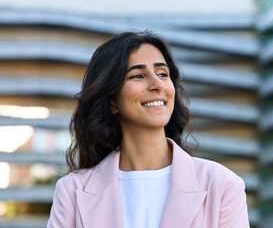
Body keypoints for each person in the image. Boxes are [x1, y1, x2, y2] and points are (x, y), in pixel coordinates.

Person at [47, 31, 250, 228]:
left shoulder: (222, 185)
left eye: (163, 73)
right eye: (138, 75)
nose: (157, 84)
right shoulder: (72, 191)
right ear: (111, 101)